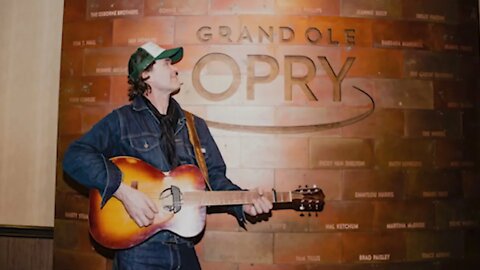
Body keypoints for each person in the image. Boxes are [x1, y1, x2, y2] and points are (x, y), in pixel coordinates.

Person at [63, 41, 273, 269]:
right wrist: (122, 191)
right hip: (139, 252)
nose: (175, 69)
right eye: (166, 63)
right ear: (145, 74)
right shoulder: (121, 120)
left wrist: (242, 203)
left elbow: (216, 179)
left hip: (184, 248)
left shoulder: (195, 126)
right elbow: (75, 156)